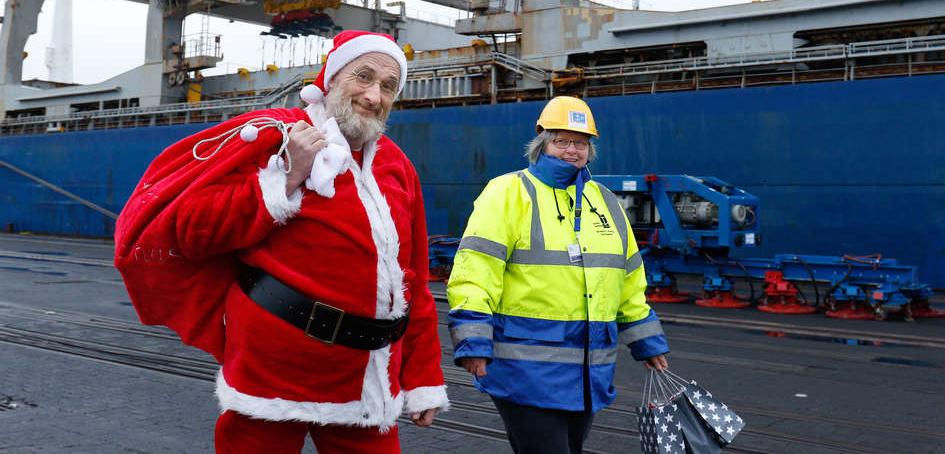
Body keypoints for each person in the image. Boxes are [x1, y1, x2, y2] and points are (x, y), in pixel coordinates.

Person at [115, 30, 448, 453]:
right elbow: (191, 231)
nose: (373, 95)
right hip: (273, 370)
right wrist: (286, 177)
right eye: (362, 77)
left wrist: (422, 379)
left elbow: (412, 280)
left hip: (367, 379)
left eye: (387, 86)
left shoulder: (396, 164)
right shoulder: (273, 136)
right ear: (330, 78)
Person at [446, 95, 669, 454]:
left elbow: (628, 280)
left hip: (587, 373)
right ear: (542, 144)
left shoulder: (605, 201)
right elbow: (476, 271)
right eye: (561, 140)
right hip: (524, 370)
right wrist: (473, 342)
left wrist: (647, 342)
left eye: (580, 143)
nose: (571, 150)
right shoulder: (507, 192)